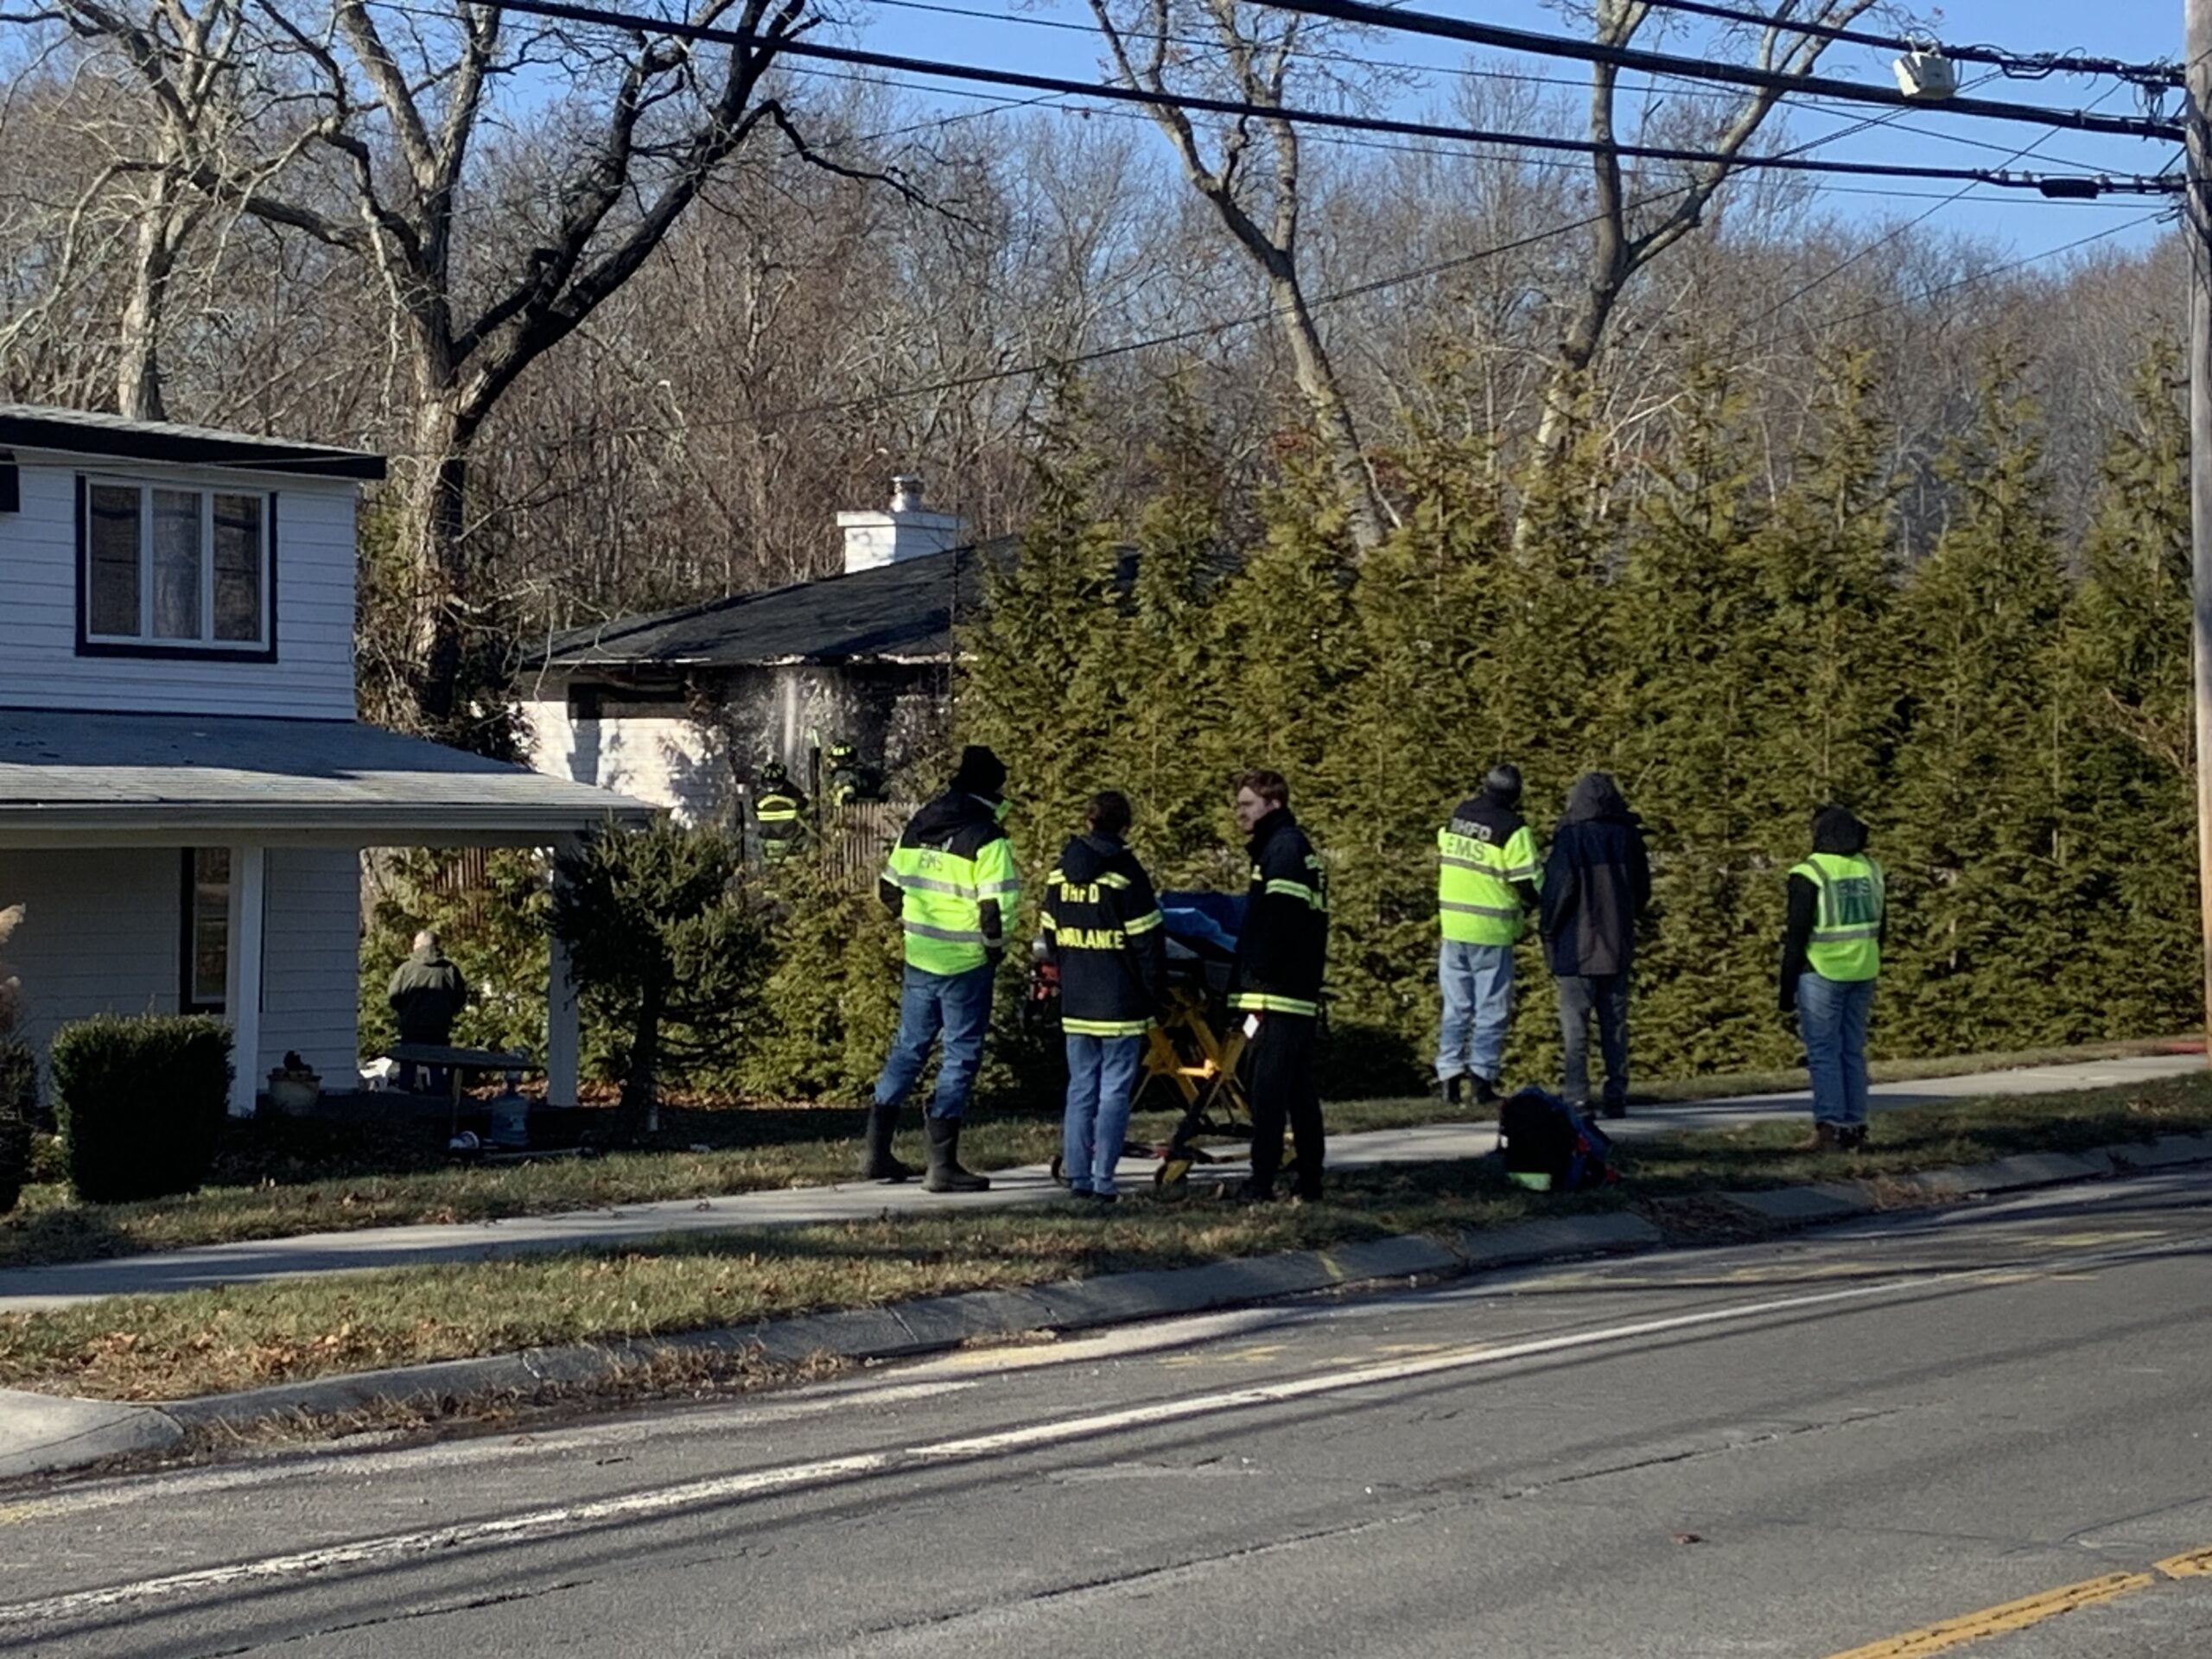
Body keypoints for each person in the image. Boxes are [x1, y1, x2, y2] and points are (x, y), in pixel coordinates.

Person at [860, 745, 1020, 1192]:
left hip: (920, 957)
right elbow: (997, 906)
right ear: (993, 788)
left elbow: (888, 890)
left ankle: (876, 1154)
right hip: (966, 964)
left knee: (908, 1048)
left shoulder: (920, 823)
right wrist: (993, 949)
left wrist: (917, 930)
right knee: (960, 1057)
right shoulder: (987, 836)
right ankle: (942, 1166)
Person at [1043, 791, 1166, 1204]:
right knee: (1113, 1091)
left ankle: (1078, 1176)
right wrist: (1153, 996)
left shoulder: (1060, 873)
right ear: (1124, 828)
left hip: (1077, 1000)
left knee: (1080, 1087)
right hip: (1119, 1003)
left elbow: (1050, 934)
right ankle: (1103, 1180)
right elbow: (1148, 944)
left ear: (1088, 822)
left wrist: (1071, 972)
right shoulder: (1126, 873)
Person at [1225, 769, 1328, 1204]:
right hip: (1293, 992)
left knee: (1267, 1091)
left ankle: (1262, 1181)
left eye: (1247, 805)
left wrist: (1257, 969)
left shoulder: (1282, 849)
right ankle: (1309, 1179)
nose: (1239, 814)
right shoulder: (1288, 847)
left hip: (1276, 993)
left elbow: (1278, 920)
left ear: (1274, 804)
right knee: (1298, 1090)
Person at [1540, 772, 1650, 1120]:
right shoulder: (1628, 837)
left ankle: (1577, 1096)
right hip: (1617, 945)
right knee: (1614, 1026)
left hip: (1576, 945)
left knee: (1576, 1028)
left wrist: (1547, 932)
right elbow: (1642, 891)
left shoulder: (1571, 838)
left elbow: (1558, 891)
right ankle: (1616, 1094)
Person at [1434, 763, 1541, 1107]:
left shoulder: (1460, 814)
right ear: (1515, 795)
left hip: (1453, 926)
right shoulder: (1513, 828)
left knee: (1456, 1007)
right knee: (1491, 1009)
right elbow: (1526, 881)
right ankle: (1481, 1081)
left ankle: (1449, 1079)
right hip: (1492, 932)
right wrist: (1539, 902)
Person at [1781, 804, 1885, 1152]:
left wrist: (1786, 987)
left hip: (1821, 971)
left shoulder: (1809, 872)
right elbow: (1882, 925)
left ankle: (1828, 1129)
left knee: (1824, 1052)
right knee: (1852, 1051)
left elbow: (1796, 936)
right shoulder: (1870, 867)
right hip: (1864, 967)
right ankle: (1855, 1126)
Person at [386, 929, 467, 1093]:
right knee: (437, 1069)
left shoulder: (406, 969)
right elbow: (460, 997)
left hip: (411, 1026)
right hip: (439, 1028)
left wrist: (405, 1011)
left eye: (415, 943)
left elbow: (394, 996)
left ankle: (406, 1105)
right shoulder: (449, 970)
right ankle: (439, 1106)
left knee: (408, 1068)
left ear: (421, 945)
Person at [753, 760, 807, 865]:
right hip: (790, 845)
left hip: (767, 846)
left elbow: (754, 811)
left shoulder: (759, 799)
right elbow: (803, 804)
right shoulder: (792, 794)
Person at [824, 741, 883, 807]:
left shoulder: (842, 774)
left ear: (844, 760)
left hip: (845, 812)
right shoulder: (863, 770)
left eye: (834, 758)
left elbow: (848, 796)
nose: (829, 761)